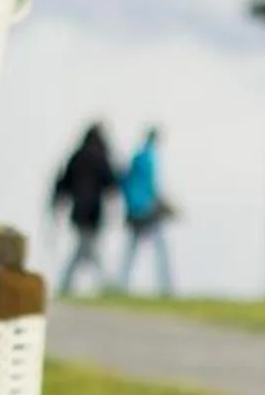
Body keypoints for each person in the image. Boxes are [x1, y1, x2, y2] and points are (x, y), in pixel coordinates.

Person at [49, 123, 118, 297]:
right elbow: (111, 182)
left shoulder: (77, 156)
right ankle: (107, 285)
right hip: (94, 211)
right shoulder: (101, 156)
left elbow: (64, 183)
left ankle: (67, 285)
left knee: (84, 249)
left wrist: (57, 206)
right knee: (89, 249)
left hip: (78, 211)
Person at [120, 125, 177, 297]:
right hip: (146, 210)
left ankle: (120, 284)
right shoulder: (148, 157)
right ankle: (167, 287)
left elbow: (125, 182)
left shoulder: (137, 156)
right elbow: (151, 186)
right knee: (160, 249)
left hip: (135, 209)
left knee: (131, 251)